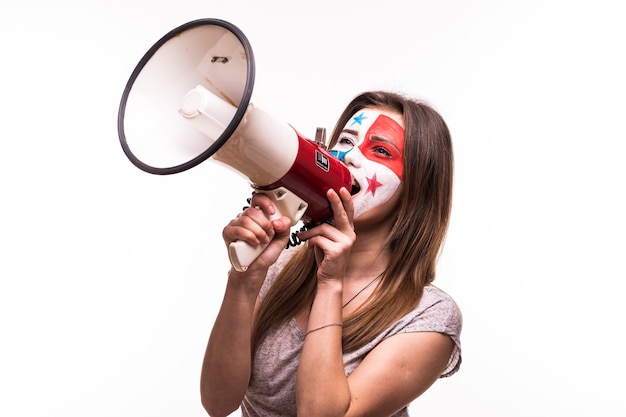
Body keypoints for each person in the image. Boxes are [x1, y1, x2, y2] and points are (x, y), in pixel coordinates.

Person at [200, 91, 462, 417]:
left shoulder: (427, 315)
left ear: (418, 187)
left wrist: (330, 284)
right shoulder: (277, 271)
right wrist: (244, 280)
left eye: (380, 150)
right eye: (346, 141)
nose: (350, 157)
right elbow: (218, 401)